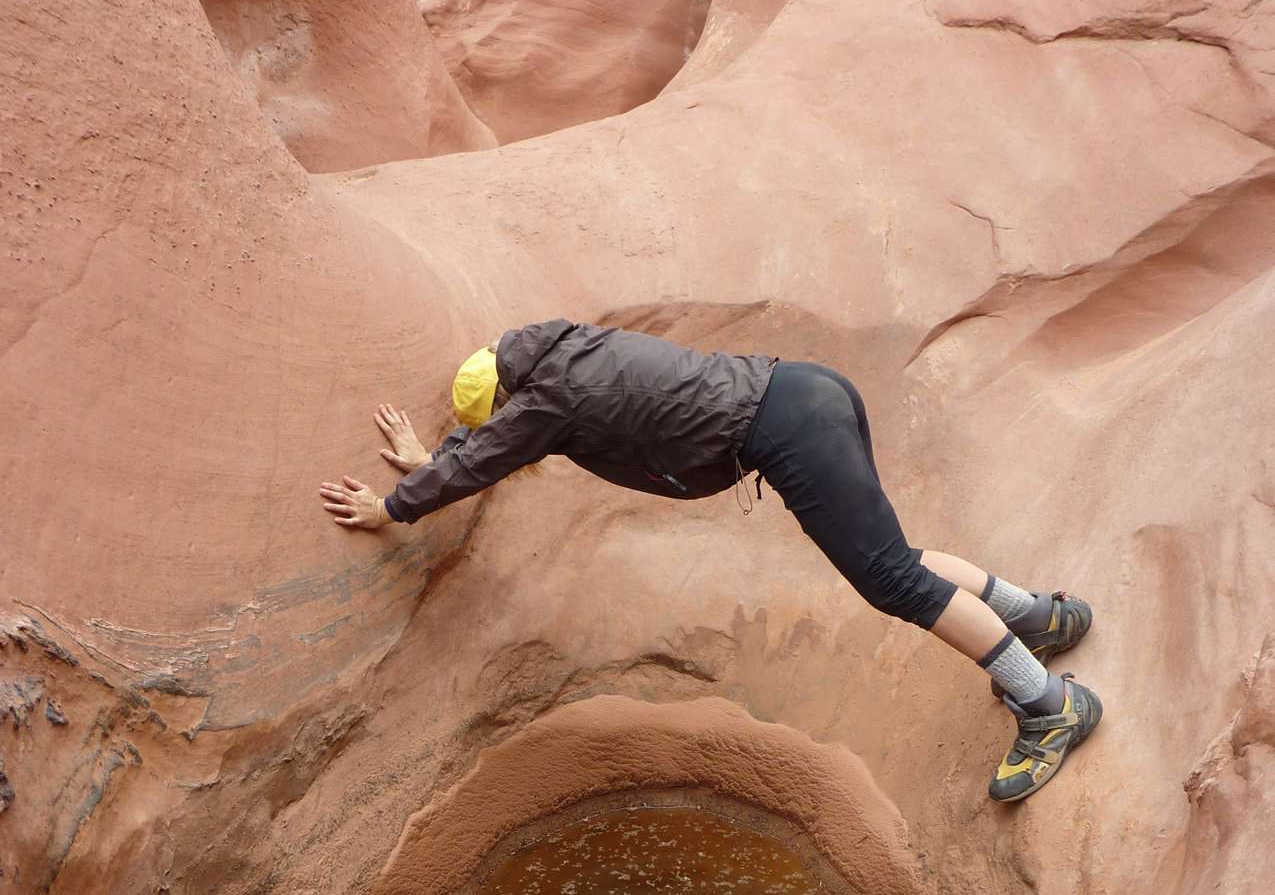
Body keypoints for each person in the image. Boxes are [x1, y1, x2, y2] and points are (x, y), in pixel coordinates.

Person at [319, 320, 1101, 801]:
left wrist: (393, 505)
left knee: (889, 580)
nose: (504, 431)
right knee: (888, 558)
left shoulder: (546, 402)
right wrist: (444, 454)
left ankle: (1048, 704)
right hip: (805, 388)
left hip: (785, 433)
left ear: (510, 403)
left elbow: (495, 450)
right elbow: (496, 441)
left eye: (497, 423)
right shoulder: (563, 351)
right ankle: (1036, 618)